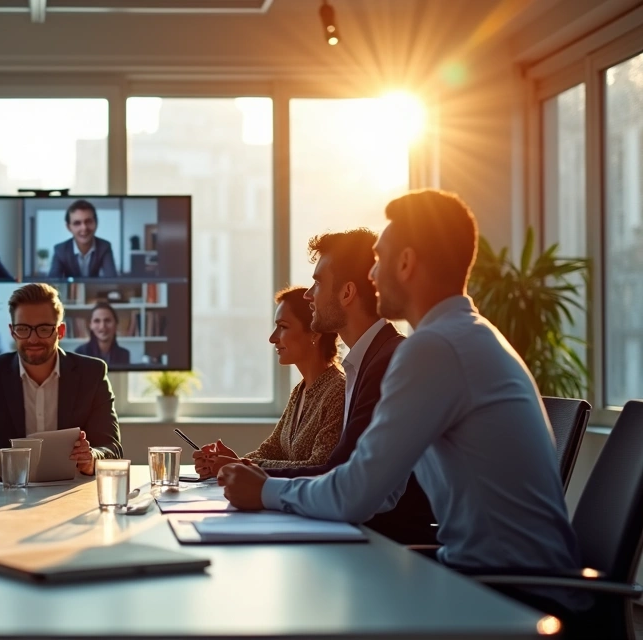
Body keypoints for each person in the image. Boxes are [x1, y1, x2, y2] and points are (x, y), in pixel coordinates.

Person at [216, 190, 586, 614]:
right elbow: (382, 493)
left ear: (406, 263)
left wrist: (266, 491)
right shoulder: (466, 334)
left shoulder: (434, 347)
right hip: (493, 578)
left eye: (379, 258)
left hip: (510, 596)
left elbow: (357, 494)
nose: (372, 274)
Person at [195, 229, 436, 544]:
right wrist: (244, 470)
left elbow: (338, 472)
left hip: (387, 547)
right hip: (366, 536)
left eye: (318, 282)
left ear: (347, 293)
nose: (308, 294)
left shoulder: (388, 361)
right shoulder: (367, 360)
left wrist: (257, 482)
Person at [0, 283, 121, 475]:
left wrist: (92, 458)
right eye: (23, 328)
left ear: (60, 331)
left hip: (72, 492)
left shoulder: (92, 373)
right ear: (12, 331)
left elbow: (112, 448)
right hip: (8, 493)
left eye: (44, 329)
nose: (32, 339)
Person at [194, 287, 344, 470]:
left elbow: (318, 467)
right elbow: (269, 451)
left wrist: (241, 465)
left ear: (314, 332)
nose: (273, 338)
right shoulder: (300, 391)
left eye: (283, 327)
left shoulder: (338, 392)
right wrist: (229, 461)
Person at [48, 200, 118, 278]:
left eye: (88, 221)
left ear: (96, 223)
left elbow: (112, 280)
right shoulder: (60, 250)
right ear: (68, 227)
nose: (84, 228)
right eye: (77, 223)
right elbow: (52, 282)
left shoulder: (104, 247)